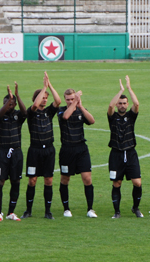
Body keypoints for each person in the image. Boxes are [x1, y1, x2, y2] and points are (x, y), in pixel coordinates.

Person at [21, 72, 61, 220]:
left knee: (48, 180)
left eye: (46, 97)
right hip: (35, 151)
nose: (44, 99)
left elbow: (58, 101)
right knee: (32, 180)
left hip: (49, 150)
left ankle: (48, 211)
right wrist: (43, 88)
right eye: (42, 96)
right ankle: (28, 210)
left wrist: (49, 85)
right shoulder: (31, 113)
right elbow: (36, 104)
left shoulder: (49, 112)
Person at [107, 76, 144, 219]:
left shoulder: (131, 116)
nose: (122, 105)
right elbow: (110, 106)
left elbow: (137, 104)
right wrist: (120, 90)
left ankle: (135, 208)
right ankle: (117, 212)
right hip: (116, 153)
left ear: (127, 104)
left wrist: (128, 88)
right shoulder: (112, 116)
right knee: (117, 183)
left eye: (124, 103)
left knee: (137, 182)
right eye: (120, 103)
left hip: (130, 153)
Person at [58, 88, 97, 218]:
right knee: (65, 179)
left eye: (72, 99)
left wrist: (80, 106)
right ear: (65, 99)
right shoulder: (61, 110)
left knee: (87, 178)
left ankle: (90, 209)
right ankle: (66, 209)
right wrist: (75, 102)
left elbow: (92, 121)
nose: (70, 101)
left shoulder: (80, 109)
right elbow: (66, 116)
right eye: (68, 99)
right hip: (67, 150)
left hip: (81, 149)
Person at [0, 82, 27, 222]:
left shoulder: (18, 116)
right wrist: (9, 99)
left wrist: (17, 96)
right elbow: (1, 113)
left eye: (11, 103)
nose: (9, 105)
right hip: (1, 153)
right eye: (6, 103)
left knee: (16, 181)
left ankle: (11, 212)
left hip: (16, 153)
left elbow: (26, 112)